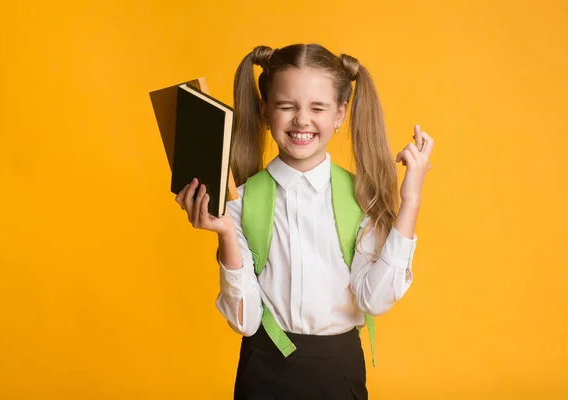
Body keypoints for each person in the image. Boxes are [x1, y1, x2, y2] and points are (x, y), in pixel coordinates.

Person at [175, 43, 434, 400]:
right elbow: (245, 321)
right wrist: (226, 235)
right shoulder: (241, 200)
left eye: (318, 108)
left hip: (339, 372)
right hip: (263, 370)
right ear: (265, 110)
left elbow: (374, 300)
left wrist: (411, 200)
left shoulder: (361, 199)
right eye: (286, 106)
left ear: (340, 113)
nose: (301, 120)